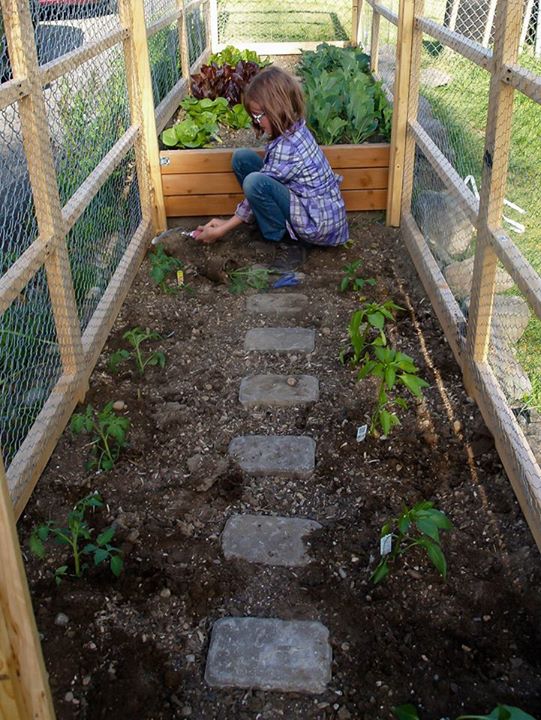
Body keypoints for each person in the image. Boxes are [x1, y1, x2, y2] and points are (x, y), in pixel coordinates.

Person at [195, 66, 349, 270]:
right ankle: (270, 225)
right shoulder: (292, 128)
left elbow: (259, 185)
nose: (256, 122)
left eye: (259, 116)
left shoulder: (289, 147)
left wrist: (223, 228)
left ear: (277, 109)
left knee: (254, 182)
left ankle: (288, 242)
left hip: (317, 223)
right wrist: (228, 221)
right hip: (306, 203)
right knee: (242, 159)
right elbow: (271, 176)